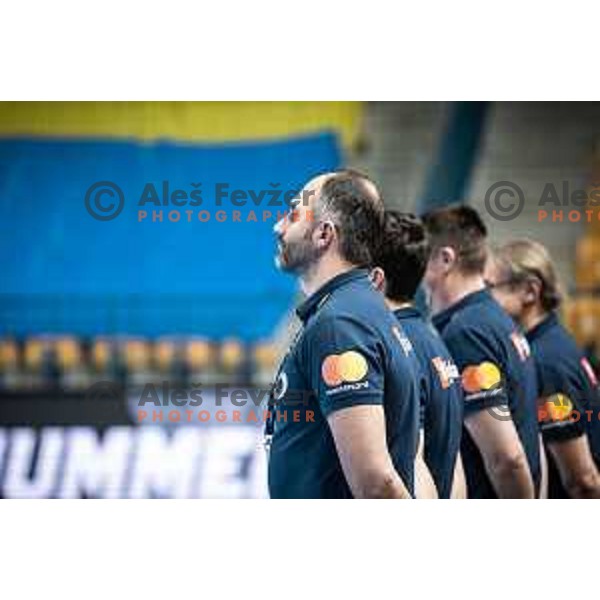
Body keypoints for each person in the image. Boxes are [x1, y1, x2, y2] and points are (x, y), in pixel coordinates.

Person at [266, 170, 421, 499]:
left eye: (293, 215)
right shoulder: (359, 311)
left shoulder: (340, 324)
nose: (278, 226)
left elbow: (376, 483)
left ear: (324, 235)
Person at [422, 205, 542, 499]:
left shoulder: (467, 333)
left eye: (420, 258)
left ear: (445, 259)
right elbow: (532, 437)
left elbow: (507, 459)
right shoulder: (496, 320)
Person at [486, 239, 600, 498]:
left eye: (492, 287)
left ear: (530, 291)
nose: (485, 298)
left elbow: (582, 479)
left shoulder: (546, 363)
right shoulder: (551, 342)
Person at [371, 210, 465, 499]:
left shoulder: (393, 347)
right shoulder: (434, 343)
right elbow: (454, 464)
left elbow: (415, 461)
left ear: (376, 278)